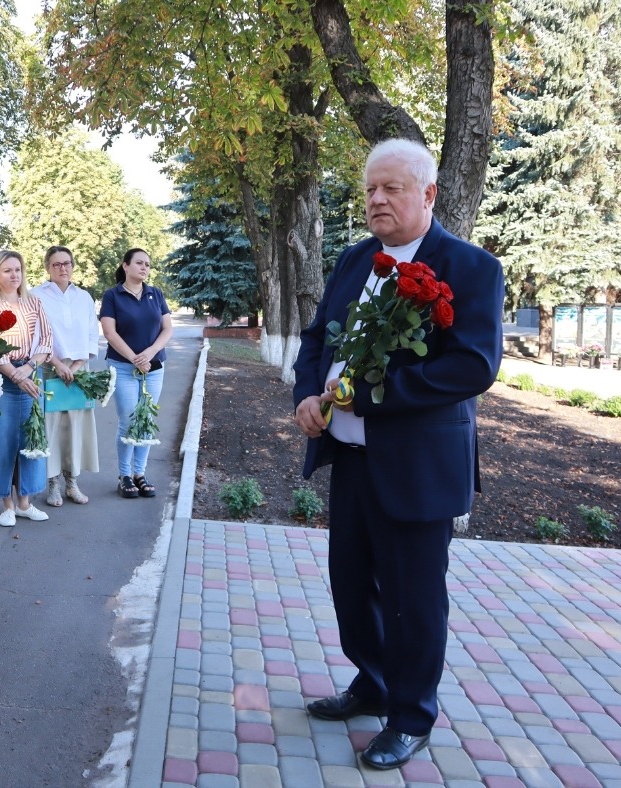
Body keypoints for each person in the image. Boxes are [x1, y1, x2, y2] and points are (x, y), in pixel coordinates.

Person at [293, 139, 504, 770]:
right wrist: (306, 396)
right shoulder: (356, 258)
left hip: (418, 466)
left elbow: (473, 365)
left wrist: (372, 398)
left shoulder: (470, 267)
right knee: (352, 583)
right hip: (352, 458)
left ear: (429, 193)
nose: (377, 199)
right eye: (370, 189)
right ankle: (375, 682)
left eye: (392, 188)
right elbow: (316, 337)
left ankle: (411, 717)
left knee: (414, 598)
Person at [0, 250, 53, 526]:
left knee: (30, 439)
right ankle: (6, 505)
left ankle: (24, 503)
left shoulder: (33, 302)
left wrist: (29, 368)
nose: (14, 275)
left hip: (30, 373)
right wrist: (15, 374)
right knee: (2, 441)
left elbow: (47, 340)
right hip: (1, 379)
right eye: (7, 270)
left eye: (18, 270)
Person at [99, 248, 172, 499]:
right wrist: (135, 358)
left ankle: (140, 473)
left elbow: (167, 329)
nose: (144, 268)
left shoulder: (156, 294)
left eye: (147, 265)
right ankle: (125, 475)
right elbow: (109, 333)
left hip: (153, 367)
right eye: (139, 263)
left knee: (146, 420)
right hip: (122, 366)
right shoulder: (112, 296)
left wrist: (149, 353)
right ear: (126, 265)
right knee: (129, 420)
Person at [30, 245, 100, 507]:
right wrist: (58, 364)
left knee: (76, 427)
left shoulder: (84, 297)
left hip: (79, 371)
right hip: (49, 367)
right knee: (51, 428)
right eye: (57, 264)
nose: (62, 268)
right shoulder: (36, 296)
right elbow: (36, 336)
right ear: (47, 267)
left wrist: (78, 365)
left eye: (67, 263)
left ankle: (72, 482)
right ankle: (53, 485)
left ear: (73, 266)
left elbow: (92, 334)